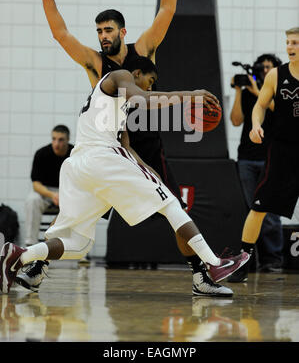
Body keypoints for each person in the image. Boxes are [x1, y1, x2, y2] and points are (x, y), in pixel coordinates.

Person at [17, 0, 232, 297]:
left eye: (108, 31)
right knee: (73, 214)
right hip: (112, 146)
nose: (102, 37)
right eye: (99, 31)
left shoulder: (143, 49)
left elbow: (166, 11)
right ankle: (37, 266)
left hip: (147, 141)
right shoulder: (96, 64)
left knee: (173, 208)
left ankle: (200, 275)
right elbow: (60, 34)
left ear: (122, 32)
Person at [0, 59, 250, 295]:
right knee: (171, 203)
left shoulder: (115, 107)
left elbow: (128, 148)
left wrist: (153, 176)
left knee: (78, 245)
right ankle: (213, 262)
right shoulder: (121, 75)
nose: (150, 86)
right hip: (103, 159)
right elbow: (142, 98)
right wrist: (192, 95)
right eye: (150, 81)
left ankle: (19, 255)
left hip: (79, 167)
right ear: (137, 74)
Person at [228, 27, 299, 282]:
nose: (290, 47)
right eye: (288, 42)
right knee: (258, 208)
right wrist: (256, 125)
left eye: (295, 43)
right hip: (281, 150)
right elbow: (259, 107)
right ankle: (244, 262)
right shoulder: (275, 76)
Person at [229, 54, 284, 282]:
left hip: (271, 157)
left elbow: (279, 112)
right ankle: (250, 261)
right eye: (261, 67)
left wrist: (255, 92)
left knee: (269, 210)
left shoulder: (278, 89)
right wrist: (240, 91)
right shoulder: (250, 90)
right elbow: (235, 120)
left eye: (269, 68)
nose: (264, 71)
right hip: (247, 158)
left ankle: (273, 259)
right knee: (253, 209)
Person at [24, 125, 73, 246]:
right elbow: (36, 184)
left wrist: (65, 195)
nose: (56, 143)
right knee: (32, 200)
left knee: (86, 203)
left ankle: (82, 251)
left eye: (61, 139)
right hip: (46, 192)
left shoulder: (76, 154)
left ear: (68, 139)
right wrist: (53, 195)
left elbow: (82, 182)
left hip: (69, 192)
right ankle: (30, 244)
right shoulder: (41, 154)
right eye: (54, 139)